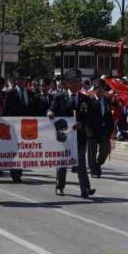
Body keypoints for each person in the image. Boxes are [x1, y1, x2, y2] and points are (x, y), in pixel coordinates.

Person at [50, 68, 96, 199]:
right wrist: (50, 113)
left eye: (78, 81)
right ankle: (60, 186)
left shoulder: (85, 99)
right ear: (67, 83)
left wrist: (82, 124)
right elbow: (52, 110)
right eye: (74, 81)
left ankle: (85, 188)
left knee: (81, 162)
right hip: (64, 136)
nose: (77, 83)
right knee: (63, 161)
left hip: (79, 135)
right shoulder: (59, 97)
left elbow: (90, 116)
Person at [3, 72, 36, 183]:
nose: (23, 81)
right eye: (20, 79)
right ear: (16, 81)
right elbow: (5, 110)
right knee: (15, 149)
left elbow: (35, 110)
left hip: (28, 127)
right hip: (14, 126)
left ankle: (19, 170)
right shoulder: (10, 93)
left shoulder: (31, 94)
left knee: (24, 149)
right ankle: (15, 172)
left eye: (24, 79)